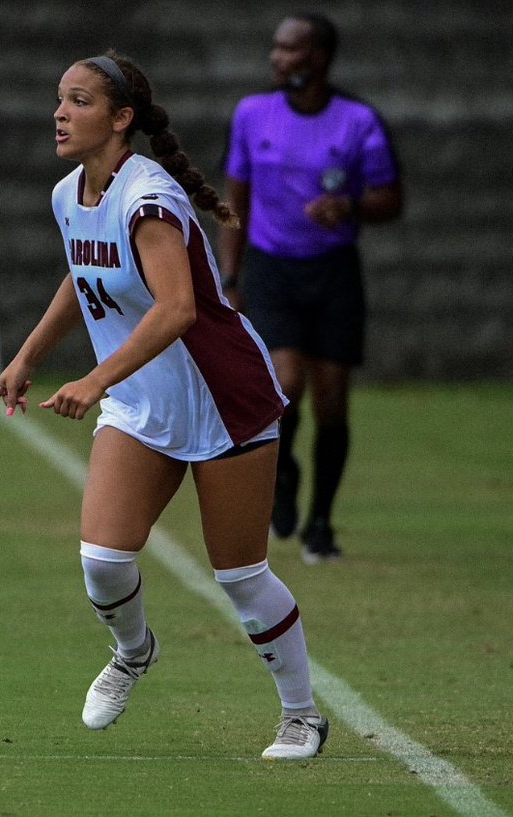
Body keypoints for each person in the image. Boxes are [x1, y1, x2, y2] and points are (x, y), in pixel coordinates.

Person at [0, 51, 328, 760]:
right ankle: (134, 649)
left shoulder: (150, 200)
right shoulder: (67, 193)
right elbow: (83, 274)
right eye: (60, 98)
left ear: (120, 119)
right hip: (144, 403)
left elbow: (175, 310)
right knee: (103, 561)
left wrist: (93, 380)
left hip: (224, 397)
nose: (59, 112)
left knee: (240, 575)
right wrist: (26, 358)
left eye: (78, 101)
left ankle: (302, 715)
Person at [218, 13, 403, 564]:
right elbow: (236, 202)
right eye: (274, 48)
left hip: (333, 271)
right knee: (285, 383)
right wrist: (230, 276)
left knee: (332, 402)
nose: (277, 58)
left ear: (318, 58)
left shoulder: (358, 121)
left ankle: (321, 523)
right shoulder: (252, 114)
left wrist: (348, 205)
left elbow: (391, 199)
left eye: (289, 49)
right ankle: (284, 476)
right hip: (273, 268)